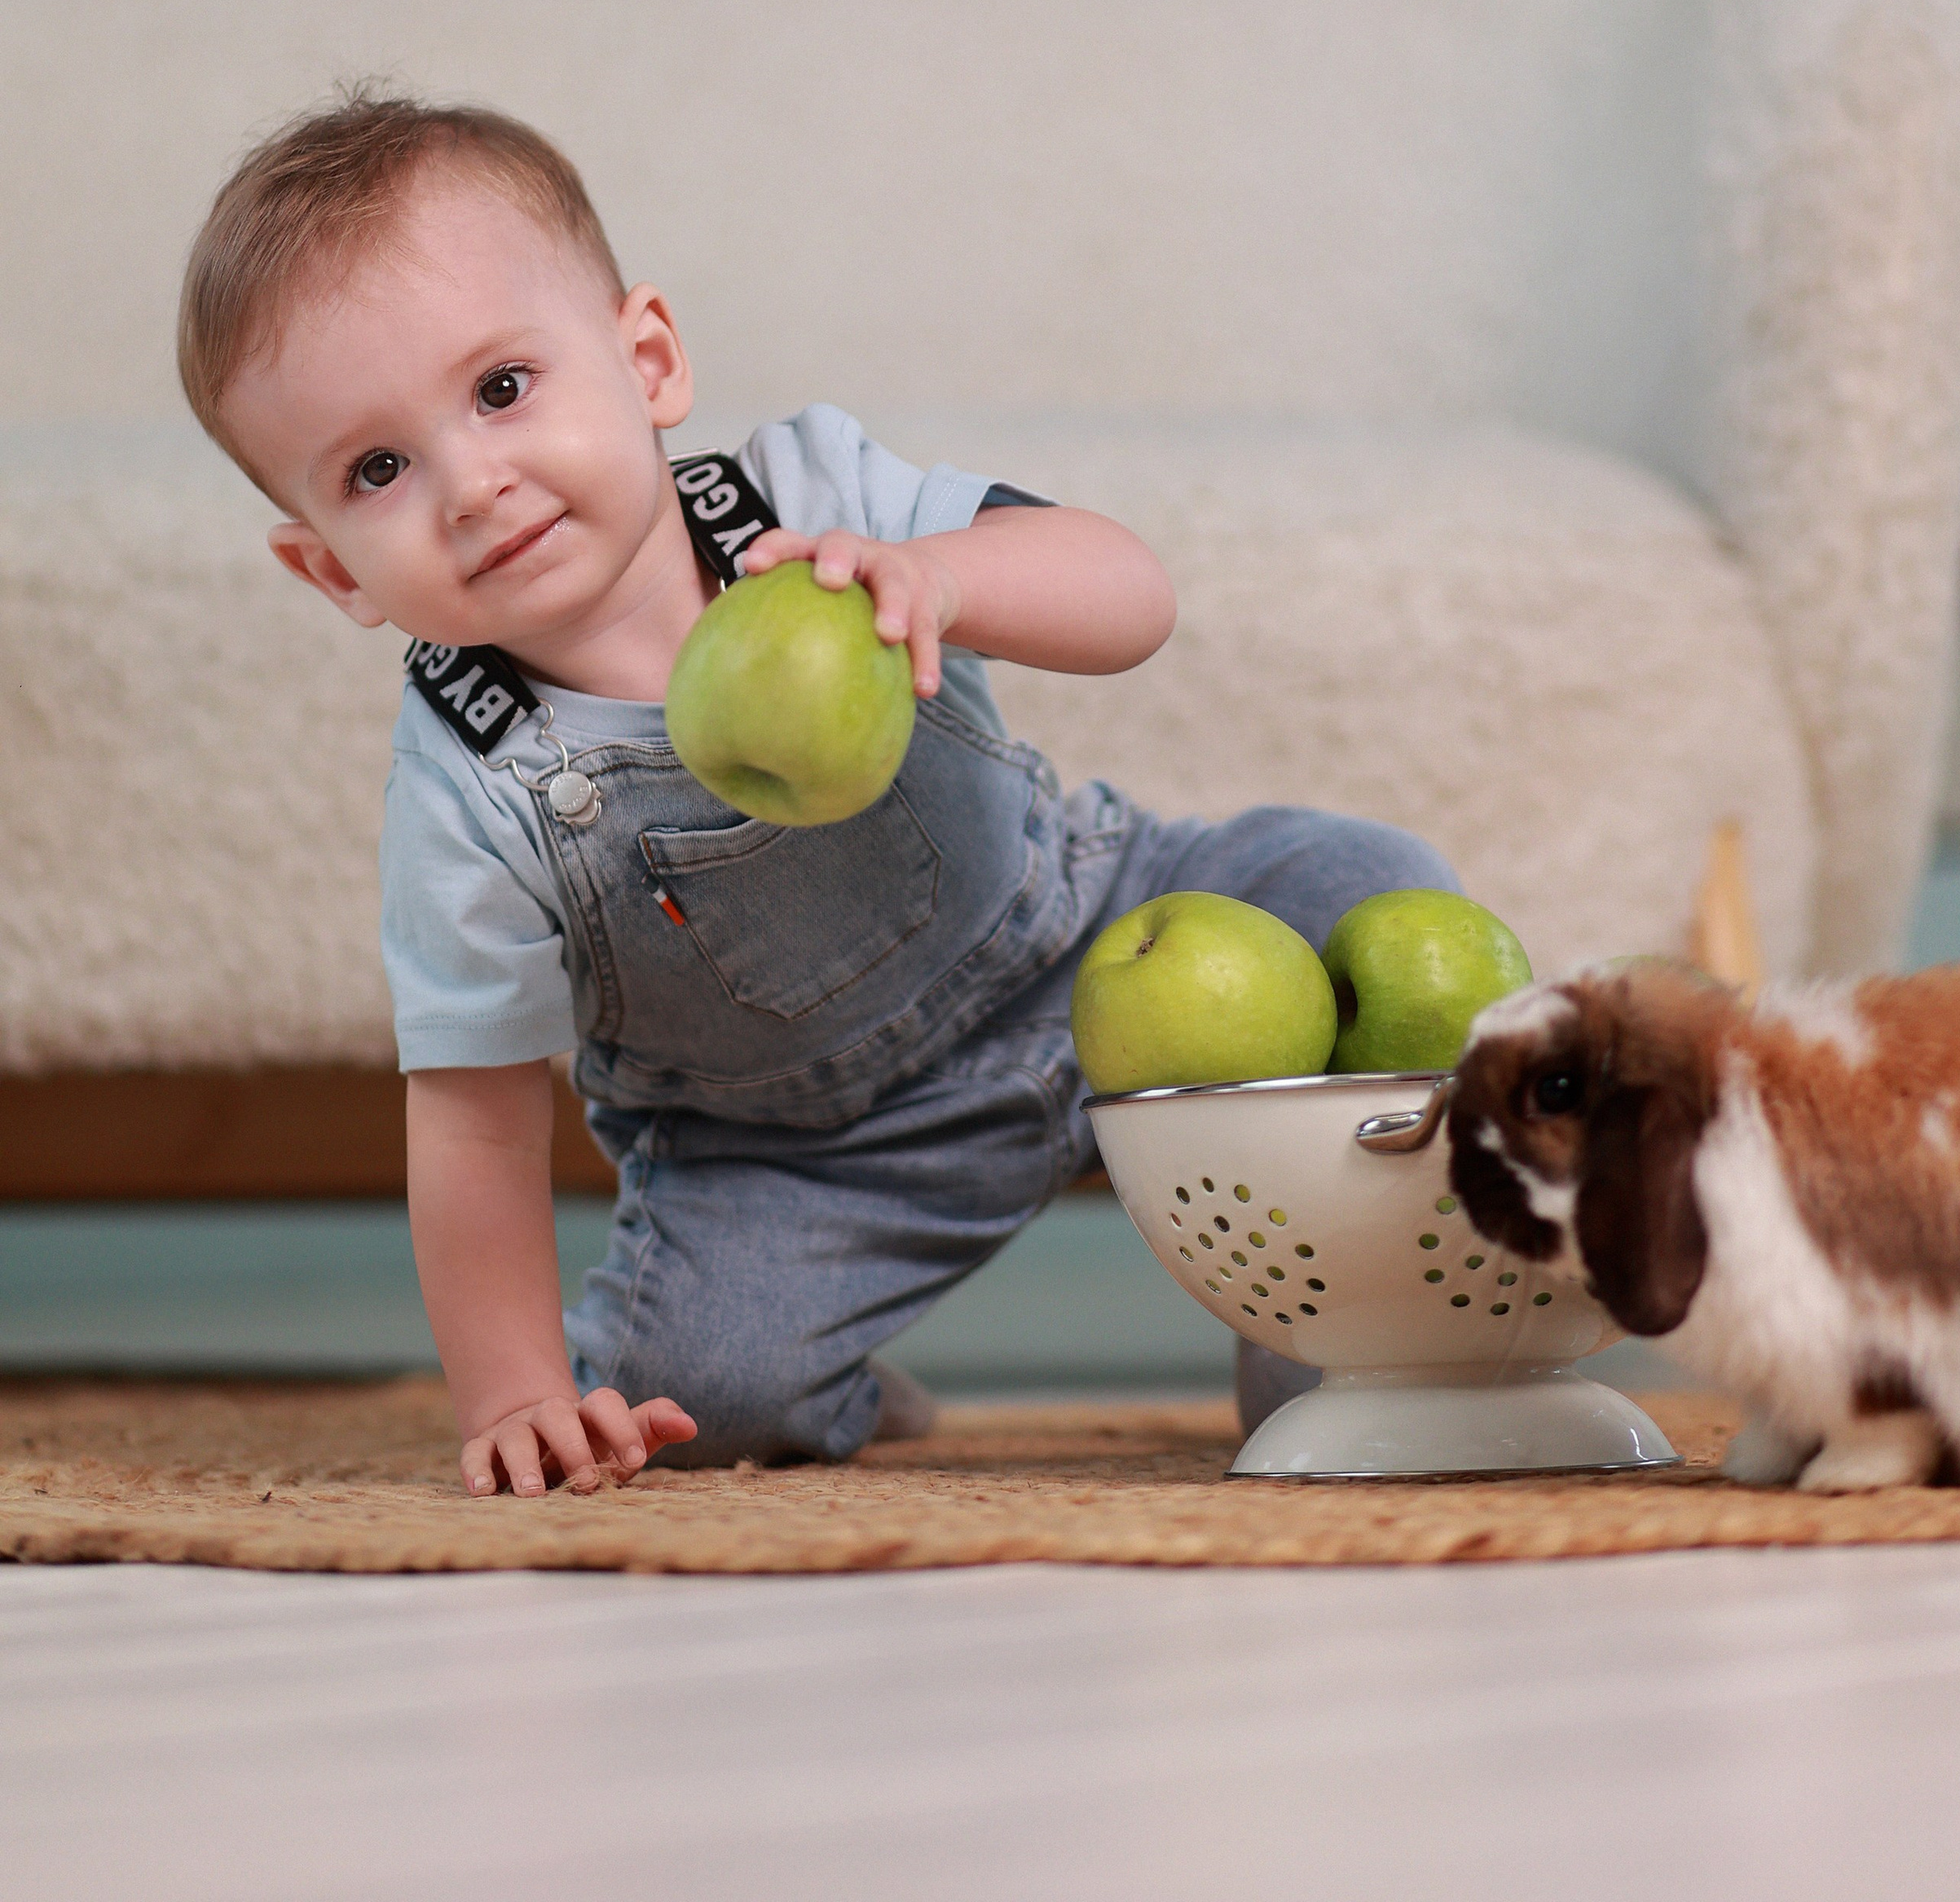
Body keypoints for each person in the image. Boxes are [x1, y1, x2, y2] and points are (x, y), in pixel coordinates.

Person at [178, 90, 1459, 1495]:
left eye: (500, 389)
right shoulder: (468, 790)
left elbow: (1132, 597)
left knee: (1361, 886)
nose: (473, 484)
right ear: (333, 569)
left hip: (1088, 937)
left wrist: (945, 581)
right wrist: (516, 1394)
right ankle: (820, 1390)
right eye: (378, 469)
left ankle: (1325, 1336)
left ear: (647, 361)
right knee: (683, 1396)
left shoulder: (812, 498)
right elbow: (474, 1119)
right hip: (801, 1156)